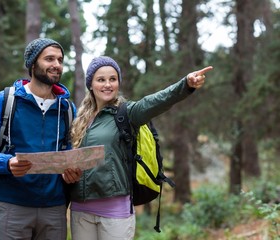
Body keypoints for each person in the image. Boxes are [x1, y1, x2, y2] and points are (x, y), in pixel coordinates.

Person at [69, 56, 213, 240]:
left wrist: (185, 84)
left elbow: (157, 101)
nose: (107, 84)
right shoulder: (80, 120)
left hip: (115, 212)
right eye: (101, 80)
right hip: (80, 211)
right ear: (90, 84)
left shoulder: (128, 113)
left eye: (112, 79)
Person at [0, 38, 82, 240]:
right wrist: (7, 162)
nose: (56, 65)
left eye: (60, 60)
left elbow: (70, 151)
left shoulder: (67, 109)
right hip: (13, 206)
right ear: (32, 64)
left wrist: (72, 171)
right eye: (49, 59)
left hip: (54, 209)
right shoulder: (5, 101)